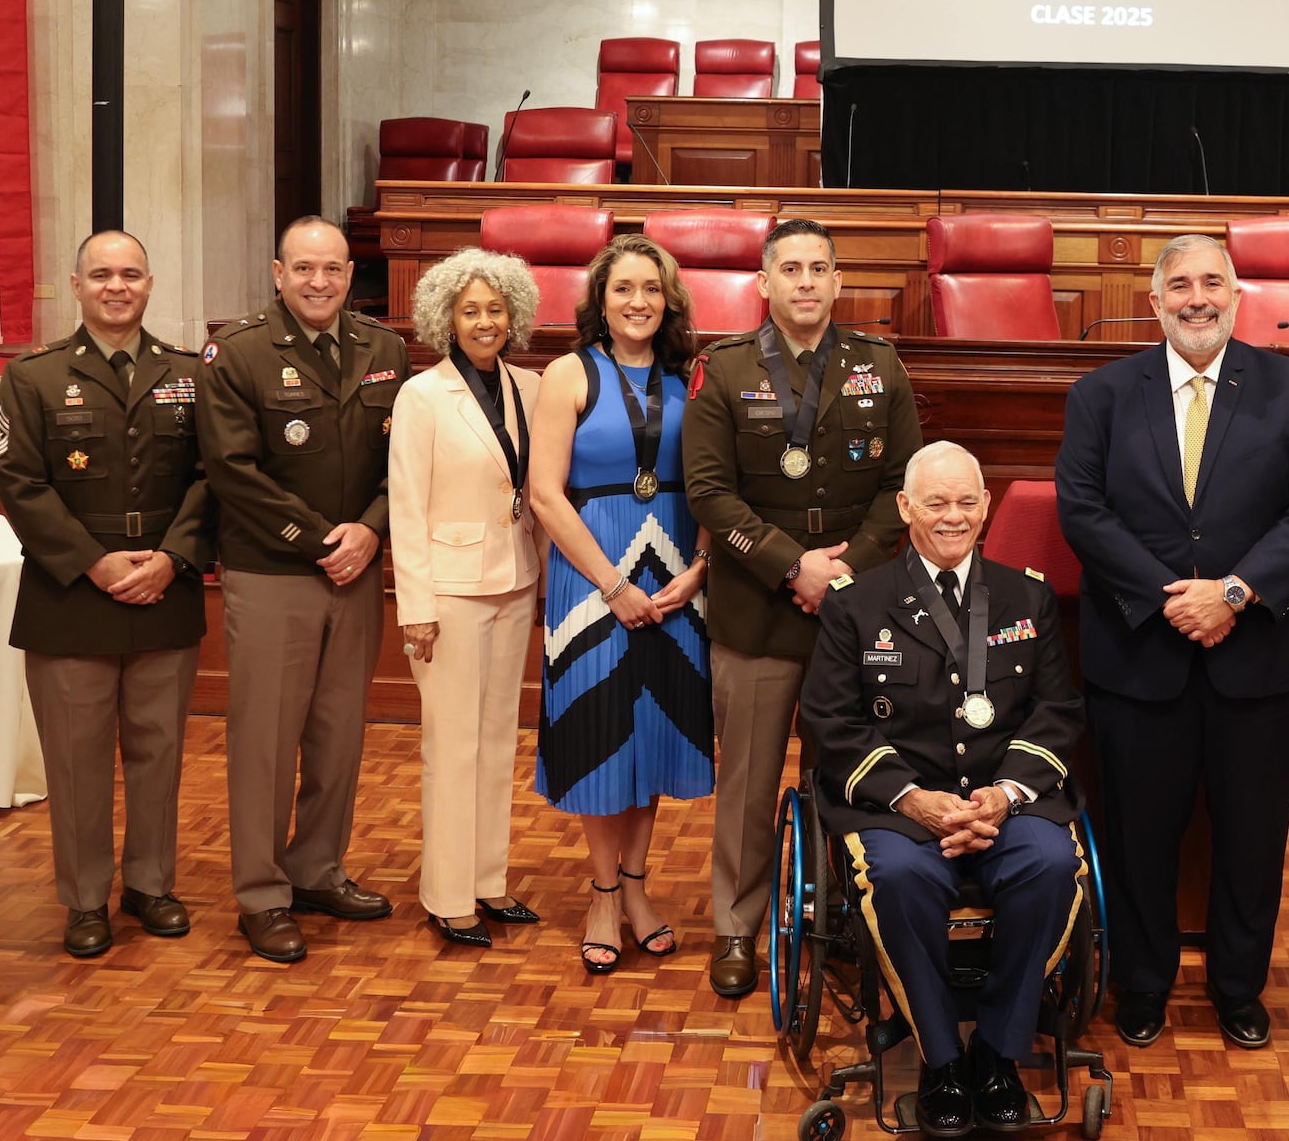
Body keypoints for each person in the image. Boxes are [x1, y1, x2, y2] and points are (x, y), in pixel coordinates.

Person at [1054, 233, 1289, 1050]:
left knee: (1254, 834)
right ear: (1153, 301)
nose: (1197, 297)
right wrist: (1170, 597)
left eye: (1212, 281)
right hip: (1141, 656)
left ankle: (1238, 985)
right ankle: (1142, 982)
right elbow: (1082, 510)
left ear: (1238, 294)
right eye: (1178, 284)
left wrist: (1235, 593)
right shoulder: (1102, 394)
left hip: (1266, 659)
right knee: (1138, 830)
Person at [799, 442, 1086, 1140]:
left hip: (1004, 801)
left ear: (987, 506)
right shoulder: (856, 603)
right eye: (936, 502)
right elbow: (829, 723)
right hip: (901, 810)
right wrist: (913, 800)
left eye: (966, 502)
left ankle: (998, 1051)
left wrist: (1006, 795)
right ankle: (941, 1061)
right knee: (897, 877)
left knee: (1050, 865)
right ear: (905, 507)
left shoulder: (1028, 594)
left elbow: (1056, 710)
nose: (953, 517)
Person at [682, 218, 923, 998]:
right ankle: (736, 927)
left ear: (838, 281)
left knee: (849, 776)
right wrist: (795, 566)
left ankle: (844, 920)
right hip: (757, 604)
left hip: (856, 607)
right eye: (791, 268)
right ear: (764, 282)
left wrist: (846, 566)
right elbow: (710, 492)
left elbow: (903, 487)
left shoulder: (878, 366)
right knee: (748, 781)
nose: (807, 281)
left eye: (820, 267)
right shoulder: (724, 368)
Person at [0, 229, 215, 959]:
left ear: (150, 285)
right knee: (78, 758)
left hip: (163, 590)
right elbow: (18, 481)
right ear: (77, 284)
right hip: (71, 597)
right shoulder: (34, 375)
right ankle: (85, 897)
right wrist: (94, 563)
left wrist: (174, 556)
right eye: (101, 274)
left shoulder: (189, 372)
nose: (116, 286)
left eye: (130, 274)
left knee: (159, 749)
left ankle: (150, 883)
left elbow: (215, 476)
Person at [196, 215, 411, 963]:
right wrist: (325, 540)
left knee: (337, 735)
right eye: (305, 268)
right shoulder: (239, 350)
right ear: (277, 272)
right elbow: (232, 469)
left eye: (335, 268)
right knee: (264, 740)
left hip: (354, 572)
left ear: (351, 275)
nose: (321, 281)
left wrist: (373, 531)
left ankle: (316, 868)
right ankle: (260, 891)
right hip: (273, 570)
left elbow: (401, 464)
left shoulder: (384, 348)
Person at [527, 233, 714, 973]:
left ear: (668, 300)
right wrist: (611, 582)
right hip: (592, 575)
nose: (637, 301)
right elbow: (545, 492)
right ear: (599, 301)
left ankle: (638, 884)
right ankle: (602, 890)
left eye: (650, 288)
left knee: (655, 732)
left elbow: (713, 480)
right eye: (622, 288)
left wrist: (699, 567)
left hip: (673, 576)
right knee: (600, 730)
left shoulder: (691, 377)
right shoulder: (569, 373)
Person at [390, 247, 551, 950]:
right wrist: (414, 604)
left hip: (514, 579)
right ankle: (447, 894)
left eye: (495, 308)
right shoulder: (421, 394)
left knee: (494, 743)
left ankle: (489, 880)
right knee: (451, 745)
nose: (485, 321)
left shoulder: (532, 385)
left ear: (513, 314)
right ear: (445, 319)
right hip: (448, 592)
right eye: (470, 310)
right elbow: (405, 506)